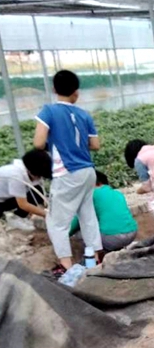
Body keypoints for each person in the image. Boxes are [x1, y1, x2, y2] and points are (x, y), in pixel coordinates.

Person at [33, 70, 102, 270]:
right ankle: (95, 257)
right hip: (88, 171)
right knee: (87, 215)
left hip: (67, 172)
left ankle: (66, 265)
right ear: (76, 92)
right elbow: (95, 145)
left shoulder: (48, 111)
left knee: (56, 221)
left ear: (54, 89)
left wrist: (56, 143)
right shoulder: (84, 114)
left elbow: (38, 143)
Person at [69, 171, 137, 254]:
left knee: (80, 233)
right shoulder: (117, 193)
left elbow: (78, 220)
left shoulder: (91, 195)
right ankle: (116, 251)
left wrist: (65, 234)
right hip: (132, 233)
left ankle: (93, 257)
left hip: (112, 238)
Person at [0, 149, 51, 231]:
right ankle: (15, 219)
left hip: (6, 196)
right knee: (29, 198)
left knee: (37, 191)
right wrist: (46, 214)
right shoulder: (16, 176)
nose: (41, 178)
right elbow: (23, 204)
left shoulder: (26, 168)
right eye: (40, 176)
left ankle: (19, 216)